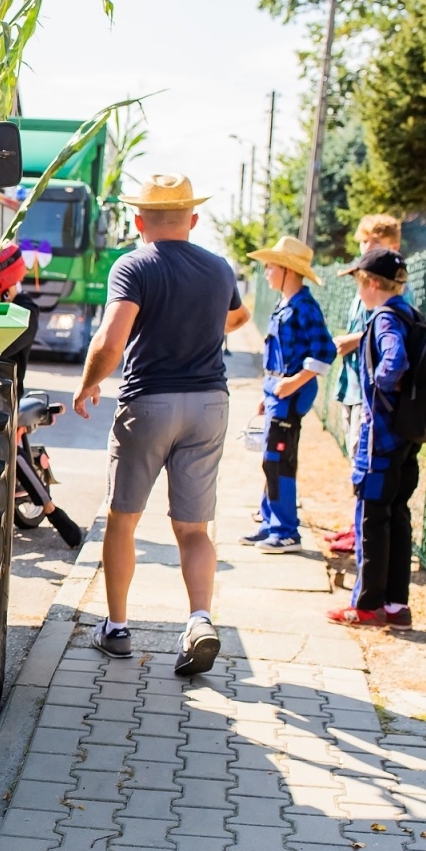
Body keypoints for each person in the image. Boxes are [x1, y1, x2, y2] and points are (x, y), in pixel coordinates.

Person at [72, 175, 250, 676]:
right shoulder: (218, 268)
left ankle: (117, 628)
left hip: (150, 402)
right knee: (194, 528)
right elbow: (239, 318)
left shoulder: (134, 265)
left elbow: (111, 340)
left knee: (123, 518)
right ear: (193, 220)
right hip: (210, 404)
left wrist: (88, 384)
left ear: (137, 220)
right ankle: (198, 619)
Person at [327, 247, 419, 630]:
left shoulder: (382, 319)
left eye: (359, 282)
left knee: (371, 519)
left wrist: (377, 399)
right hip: (406, 435)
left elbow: (394, 362)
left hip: (379, 436)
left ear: (371, 283)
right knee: (398, 517)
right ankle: (397, 606)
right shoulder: (409, 314)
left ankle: (365, 606)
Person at [242, 236, 337, 554]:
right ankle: (270, 523)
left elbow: (325, 350)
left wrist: (295, 382)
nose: (267, 272)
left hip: (289, 393)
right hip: (276, 391)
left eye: (271, 266)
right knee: (271, 460)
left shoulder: (304, 307)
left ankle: (286, 531)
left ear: (288, 270)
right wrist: (267, 390)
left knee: (280, 460)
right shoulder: (285, 303)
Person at [0, 243, 84, 548]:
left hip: (6, 395)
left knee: (9, 447)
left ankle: (50, 509)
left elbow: (3, 346)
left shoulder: (26, 309)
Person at [326, 214, 403, 553]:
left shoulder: (389, 284)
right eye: (363, 242)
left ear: (392, 247)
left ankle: (363, 530)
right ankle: (355, 524)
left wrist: (354, 340)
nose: (366, 248)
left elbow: (389, 331)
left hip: (371, 393)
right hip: (353, 383)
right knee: (355, 457)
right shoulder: (363, 285)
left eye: (374, 242)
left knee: (365, 460)